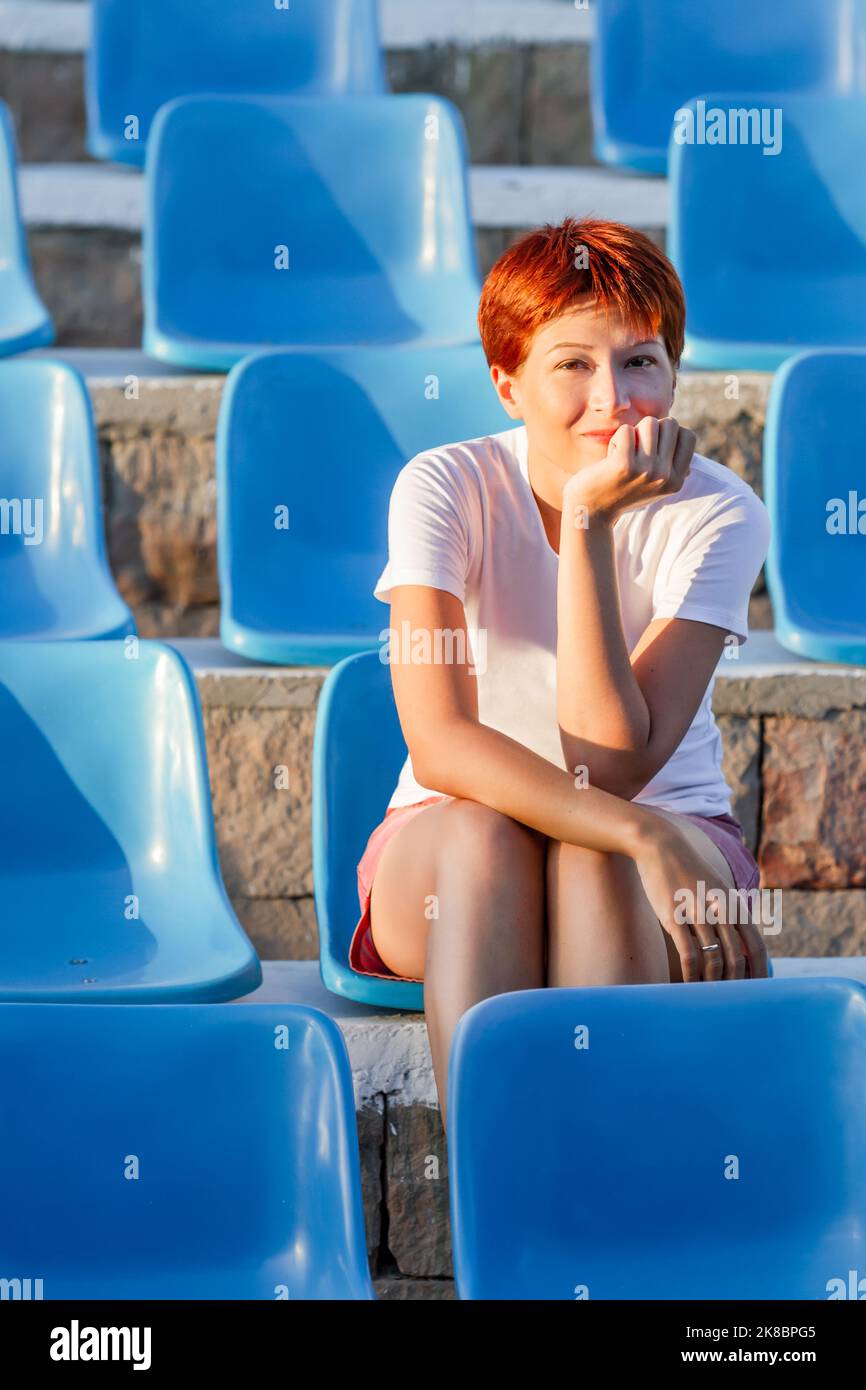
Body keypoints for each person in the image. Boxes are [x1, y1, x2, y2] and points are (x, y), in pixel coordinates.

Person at [349, 216, 770, 1131]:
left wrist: (589, 527)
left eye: (641, 362)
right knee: (486, 837)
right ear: (509, 383)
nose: (613, 397)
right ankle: (492, 1202)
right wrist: (639, 834)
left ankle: (607, 1214)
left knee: (593, 860)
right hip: (454, 843)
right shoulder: (444, 484)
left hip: (674, 830)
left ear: (674, 374)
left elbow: (610, 764)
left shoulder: (722, 512)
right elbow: (444, 744)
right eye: (572, 364)